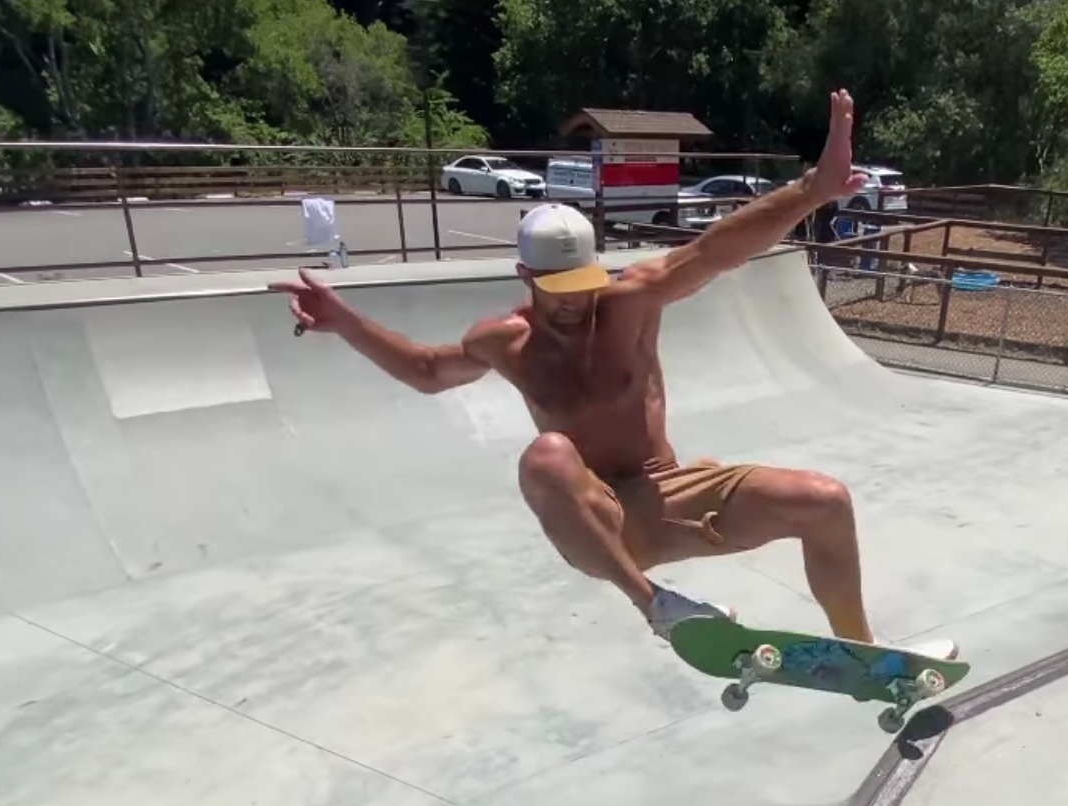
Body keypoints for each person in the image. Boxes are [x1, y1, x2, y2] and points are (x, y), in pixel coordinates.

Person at [271, 90, 957, 661]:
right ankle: (658, 607)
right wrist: (347, 322)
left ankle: (865, 657)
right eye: (558, 291)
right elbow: (426, 371)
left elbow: (715, 251)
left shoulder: (630, 302)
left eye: (584, 285)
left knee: (826, 501)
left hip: (671, 495)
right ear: (525, 277)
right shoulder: (504, 341)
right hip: (601, 524)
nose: (577, 303)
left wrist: (812, 190)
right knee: (547, 454)